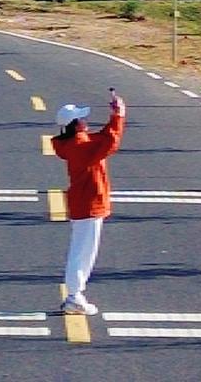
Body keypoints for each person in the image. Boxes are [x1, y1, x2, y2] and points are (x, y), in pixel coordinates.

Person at [51, 89, 126, 315]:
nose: (86, 121)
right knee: (83, 252)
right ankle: (74, 296)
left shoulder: (75, 143)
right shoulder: (80, 146)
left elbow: (100, 139)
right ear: (75, 124)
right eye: (82, 118)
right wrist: (118, 116)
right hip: (89, 203)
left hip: (84, 203)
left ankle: (75, 295)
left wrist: (115, 116)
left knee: (82, 250)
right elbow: (109, 142)